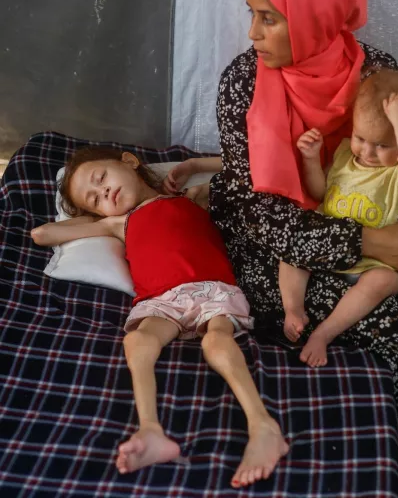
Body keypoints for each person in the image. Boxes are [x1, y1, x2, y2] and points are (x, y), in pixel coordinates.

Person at [168, 0, 398, 498]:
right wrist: (369, 240)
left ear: (317, 16)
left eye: (268, 19)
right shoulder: (242, 84)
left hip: (367, 235)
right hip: (278, 255)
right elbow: (260, 217)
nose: (253, 33)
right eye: (253, 15)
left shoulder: (376, 71)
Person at [30, 146, 289, 488]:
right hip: (160, 301)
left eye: (101, 178)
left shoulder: (191, 196)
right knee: (137, 339)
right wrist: (100, 220)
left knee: (216, 341)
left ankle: (263, 426)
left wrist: (195, 166)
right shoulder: (119, 224)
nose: (104, 192)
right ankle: (150, 429)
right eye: (95, 198)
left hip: (210, 287)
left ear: (129, 161)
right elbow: (42, 234)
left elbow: (253, 166)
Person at [277, 69, 398, 366]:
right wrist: (311, 159)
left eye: (383, 144)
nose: (368, 152)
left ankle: (324, 334)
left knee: (380, 282)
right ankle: (293, 309)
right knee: (291, 253)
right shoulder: (347, 154)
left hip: (382, 264)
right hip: (333, 255)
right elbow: (321, 192)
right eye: (360, 137)